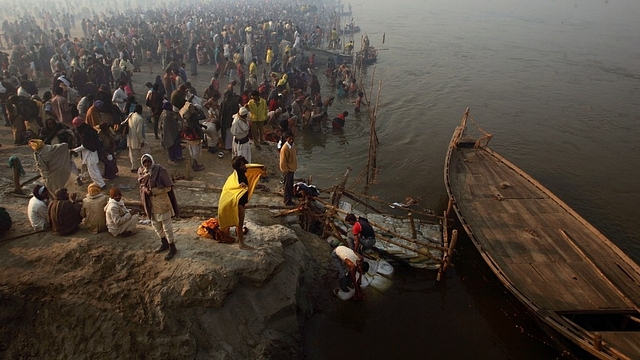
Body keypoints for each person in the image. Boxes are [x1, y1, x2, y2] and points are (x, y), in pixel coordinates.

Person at [138, 154, 179, 260]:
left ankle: (172, 247)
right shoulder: (142, 172)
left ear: (152, 161)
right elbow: (141, 185)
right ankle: (164, 243)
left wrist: (154, 191)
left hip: (162, 203)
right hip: (150, 204)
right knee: (156, 225)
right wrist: (145, 190)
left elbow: (168, 187)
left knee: (167, 227)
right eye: (145, 162)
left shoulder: (161, 171)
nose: (147, 164)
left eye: (148, 162)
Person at [217, 156, 264, 250]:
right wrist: (240, 186)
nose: (245, 166)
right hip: (238, 203)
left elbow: (252, 167)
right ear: (238, 167)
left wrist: (262, 169)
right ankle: (241, 244)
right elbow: (231, 188)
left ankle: (239, 238)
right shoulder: (235, 177)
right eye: (242, 165)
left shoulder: (242, 172)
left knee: (239, 223)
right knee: (240, 223)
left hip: (242, 202)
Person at [72, 116, 106, 189]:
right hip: (90, 152)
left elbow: (86, 145)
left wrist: (75, 150)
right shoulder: (87, 129)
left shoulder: (86, 132)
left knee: (93, 170)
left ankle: (101, 184)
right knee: (93, 169)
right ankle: (98, 183)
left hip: (91, 152)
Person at [279, 131, 297, 206]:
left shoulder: (292, 146)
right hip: (288, 170)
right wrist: (285, 170)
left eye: (292, 138)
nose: (292, 140)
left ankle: (289, 197)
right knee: (287, 186)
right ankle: (287, 200)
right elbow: (282, 162)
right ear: (286, 139)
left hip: (292, 168)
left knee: (290, 185)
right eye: (290, 139)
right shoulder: (285, 148)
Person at [126, 104, 145, 172]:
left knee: (132, 154)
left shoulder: (131, 115)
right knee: (142, 153)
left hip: (130, 138)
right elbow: (139, 132)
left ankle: (134, 167)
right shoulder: (140, 119)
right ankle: (143, 166)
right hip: (136, 140)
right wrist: (141, 141)